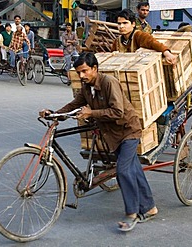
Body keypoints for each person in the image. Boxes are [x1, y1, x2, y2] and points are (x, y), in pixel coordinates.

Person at [39, 52, 158, 232]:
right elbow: (74, 104)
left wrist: (91, 113)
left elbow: (117, 112)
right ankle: (150, 207)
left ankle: (132, 213)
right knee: (133, 169)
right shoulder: (87, 87)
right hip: (112, 134)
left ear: (95, 68)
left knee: (123, 171)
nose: (81, 76)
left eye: (85, 71)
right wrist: (54, 113)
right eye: (79, 72)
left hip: (128, 131)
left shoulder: (109, 83)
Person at [111, 9, 176, 65]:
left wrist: (167, 54)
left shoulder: (139, 35)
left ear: (133, 24)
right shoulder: (117, 41)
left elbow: (153, 43)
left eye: (125, 23)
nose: (121, 26)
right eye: (119, 23)